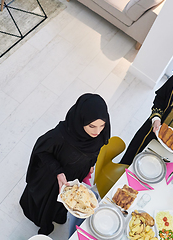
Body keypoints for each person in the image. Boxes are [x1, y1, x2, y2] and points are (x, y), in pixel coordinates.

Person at [19, 93, 111, 235]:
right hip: (53, 177)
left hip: (75, 176)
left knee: (66, 202)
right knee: (49, 203)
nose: (97, 131)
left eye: (102, 125)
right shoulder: (61, 135)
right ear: (81, 120)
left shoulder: (100, 135)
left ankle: (58, 215)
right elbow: (41, 150)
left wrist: (91, 163)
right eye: (92, 126)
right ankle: (45, 225)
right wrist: (58, 171)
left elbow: (96, 150)